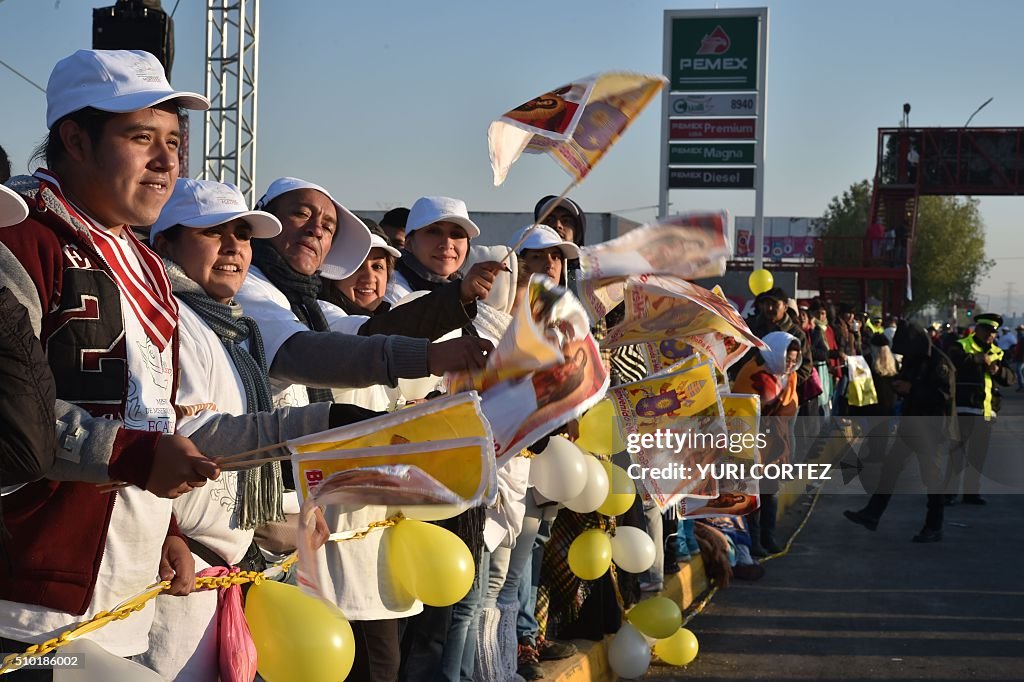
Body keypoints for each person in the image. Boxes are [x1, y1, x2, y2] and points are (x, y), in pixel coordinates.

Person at [0, 49, 221, 672]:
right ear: (74, 138)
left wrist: (169, 528)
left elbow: (150, 411)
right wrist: (136, 457)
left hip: (125, 593)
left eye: (175, 141)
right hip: (24, 602)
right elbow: (14, 416)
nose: (168, 161)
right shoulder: (18, 240)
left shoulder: (149, 264)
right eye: (141, 137)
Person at [142, 178, 381, 679]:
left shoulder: (232, 326)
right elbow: (184, 438)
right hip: (177, 569)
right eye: (214, 233)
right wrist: (328, 426)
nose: (233, 248)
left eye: (244, 235)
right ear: (165, 242)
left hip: (229, 565)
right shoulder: (168, 320)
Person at [844, 321, 958, 543]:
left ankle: (934, 526)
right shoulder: (915, 360)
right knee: (891, 469)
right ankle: (872, 514)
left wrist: (912, 389)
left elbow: (942, 396)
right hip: (911, 422)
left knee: (931, 478)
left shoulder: (939, 363)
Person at [732, 332, 802, 556]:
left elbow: (789, 409)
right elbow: (743, 410)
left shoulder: (790, 377)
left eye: (793, 360)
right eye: (786, 358)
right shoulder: (751, 373)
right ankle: (755, 542)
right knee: (752, 495)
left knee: (771, 491)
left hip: (775, 442)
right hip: (752, 440)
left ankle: (767, 537)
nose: (789, 364)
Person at [946, 312, 1015, 505]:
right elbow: (953, 362)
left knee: (977, 456)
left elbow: (1010, 379)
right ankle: (948, 492)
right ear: (977, 329)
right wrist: (979, 359)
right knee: (956, 454)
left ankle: (971, 493)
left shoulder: (998, 352)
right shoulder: (961, 345)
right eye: (986, 331)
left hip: (985, 411)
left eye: (993, 332)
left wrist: (997, 370)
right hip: (962, 408)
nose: (990, 335)